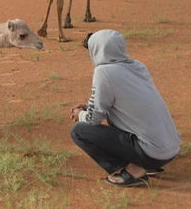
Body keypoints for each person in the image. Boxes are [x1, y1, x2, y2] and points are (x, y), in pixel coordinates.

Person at [70, 29, 180, 187]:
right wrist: (89, 106)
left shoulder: (103, 72)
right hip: (170, 149)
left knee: (80, 131)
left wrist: (80, 113)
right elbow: (128, 100)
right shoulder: (138, 66)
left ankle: (131, 170)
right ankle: (145, 164)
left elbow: (93, 119)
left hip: (152, 153)